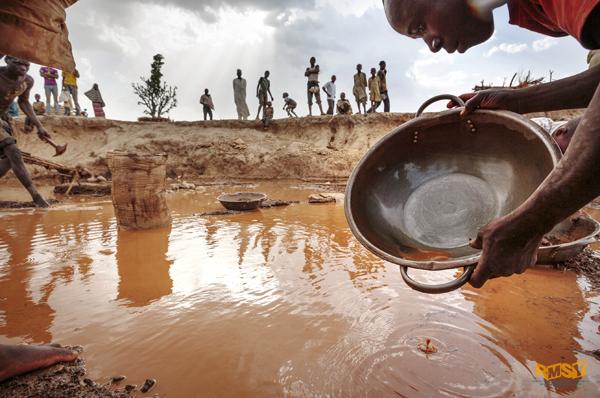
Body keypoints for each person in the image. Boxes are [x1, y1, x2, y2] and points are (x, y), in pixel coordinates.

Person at [383, 0, 600, 288]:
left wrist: (532, 222)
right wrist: (519, 101)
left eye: (420, 27)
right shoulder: (532, 10)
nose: (431, 46)